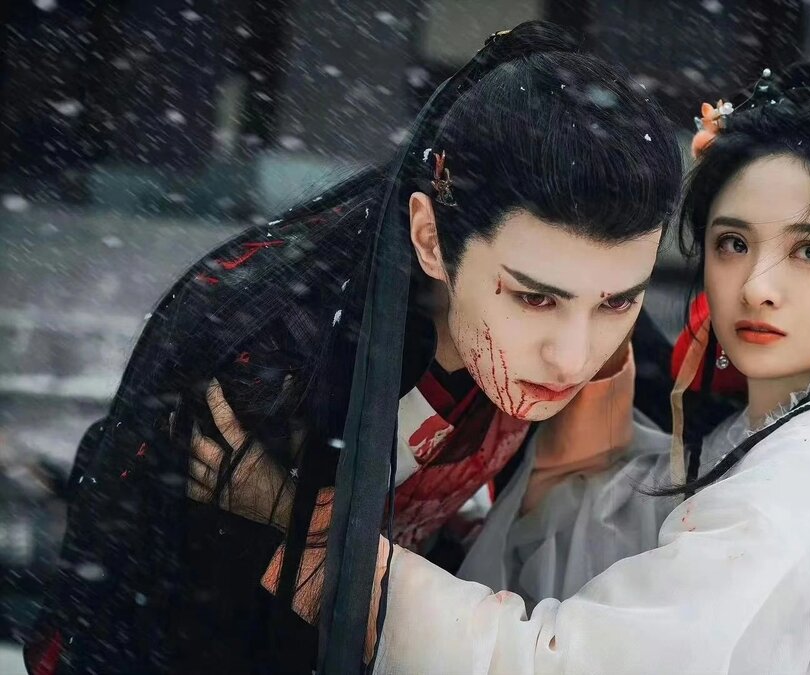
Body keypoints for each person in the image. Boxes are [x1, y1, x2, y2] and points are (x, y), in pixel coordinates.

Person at [199, 65, 810, 673]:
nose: (758, 284)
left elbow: (554, 661)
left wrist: (304, 519)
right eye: (733, 242)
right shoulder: (788, 426)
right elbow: (647, 537)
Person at [26, 21, 682, 675]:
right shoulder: (283, 361)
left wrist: (306, 518)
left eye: (618, 303)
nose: (574, 357)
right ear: (431, 239)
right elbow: (189, 619)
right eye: (535, 299)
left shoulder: (570, 301)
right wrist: (298, 522)